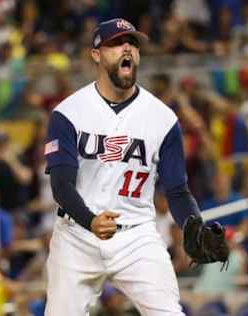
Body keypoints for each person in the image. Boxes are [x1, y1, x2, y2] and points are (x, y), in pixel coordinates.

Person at [44, 18, 226, 316]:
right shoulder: (68, 113)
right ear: (96, 54)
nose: (126, 47)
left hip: (136, 237)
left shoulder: (162, 118)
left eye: (132, 43)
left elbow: (177, 190)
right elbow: (61, 186)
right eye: (116, 43)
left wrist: (193, 224)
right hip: (76, 235)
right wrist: (90, 220)